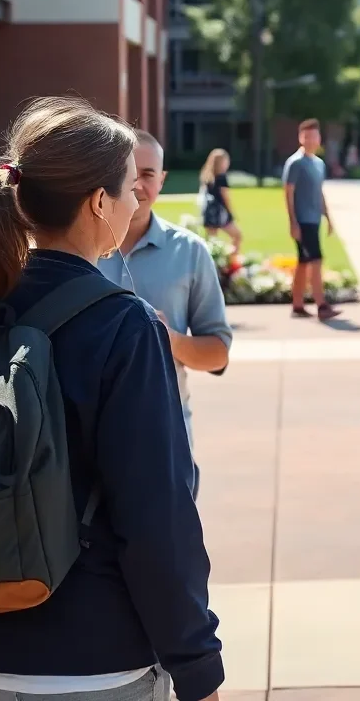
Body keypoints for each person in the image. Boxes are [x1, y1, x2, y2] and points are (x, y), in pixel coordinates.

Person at [0, 97, 223, 701]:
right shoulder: (123, 325)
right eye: (130, 188)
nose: (135, 204)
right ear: (99, 202)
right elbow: (156, 517)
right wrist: (196, 663)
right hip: (84, 660)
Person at [101, 131, 231, 502]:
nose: (138, 186)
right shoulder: (78, 250)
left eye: (148, 174)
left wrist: (166, 337)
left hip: (165, 437)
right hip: (82, 439)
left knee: (167, 557)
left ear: (163, 179)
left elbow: (218, 353)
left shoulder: (189, 252)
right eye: (128, 174)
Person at [282, 119, 339, 320]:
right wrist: (293, 222)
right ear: (300, 138)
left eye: (314, 136)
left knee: (304, 263)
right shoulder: (295, 163)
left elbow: (319, 192)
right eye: (306, 136)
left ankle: (297, 305)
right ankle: (322, 305)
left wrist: (328, 217)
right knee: (315, 260)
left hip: (314, 219)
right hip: (302, 220)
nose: (310, 140)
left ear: (319, 138)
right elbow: (288, 192)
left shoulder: (318, 164)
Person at [198, 147, 242, 252]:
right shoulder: (222, 178)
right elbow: (225, 196)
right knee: (237, 236)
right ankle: (231, 260)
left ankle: (214, 263)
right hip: (220, 213)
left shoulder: (207, 176)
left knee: (211, 242)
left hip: (208, 213)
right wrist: (231, 212)